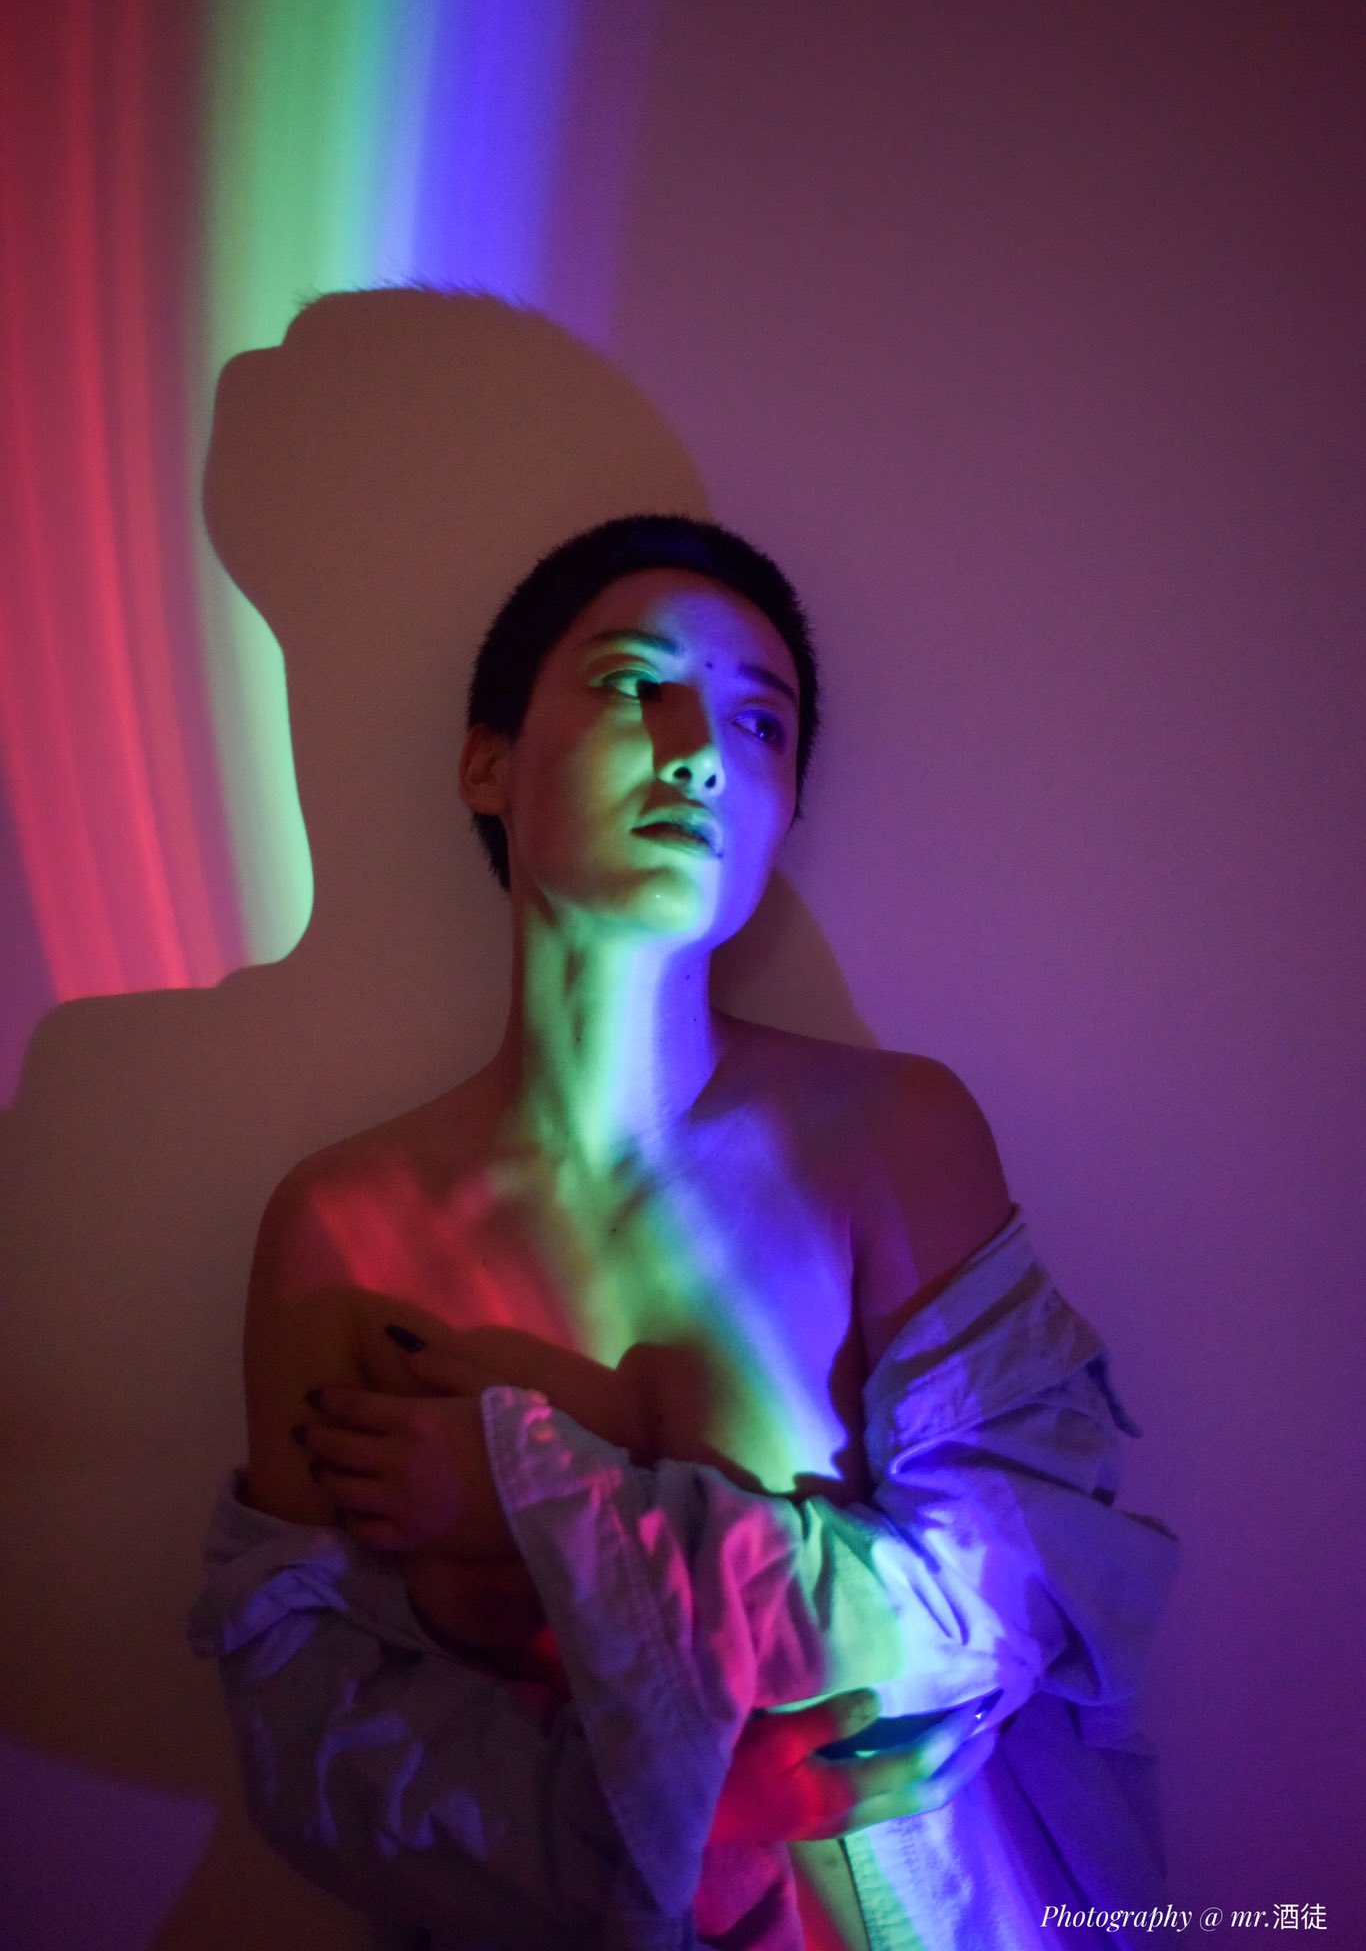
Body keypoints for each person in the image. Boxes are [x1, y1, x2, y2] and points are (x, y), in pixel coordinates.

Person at [191, 515, 1178, 1951]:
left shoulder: (891, 1140)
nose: (700, 750)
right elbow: (308, 1739)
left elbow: (1017, 1596)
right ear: (487, 763)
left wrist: (531, 1498)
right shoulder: (342, 1230)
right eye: (629, 683)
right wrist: (689, 1818)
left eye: (760, 722)